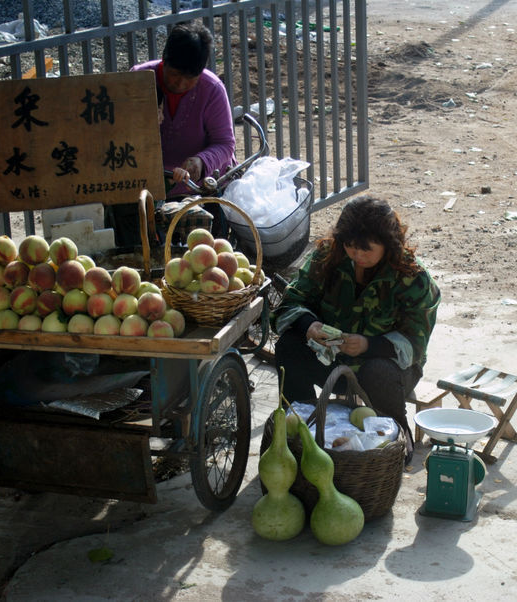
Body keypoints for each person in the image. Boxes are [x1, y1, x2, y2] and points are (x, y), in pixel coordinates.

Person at [272, 196, 441, 464]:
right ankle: (302, 425)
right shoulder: (328, 257)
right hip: (332, 361)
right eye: (351, 247)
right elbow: (290, 302)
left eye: (366, 249)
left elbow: (416, 341)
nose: (357, 255)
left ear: (388, 245)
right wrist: (309, 325)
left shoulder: (412, 277)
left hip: (388, 370)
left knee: (378, 371)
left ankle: (395, 433)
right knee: (289, 346)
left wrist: (368, 345)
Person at [106, 21, 236, 247]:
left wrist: (200, 161)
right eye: (175, 74)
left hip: (197, 188)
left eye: (191, 78)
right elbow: (117, 133)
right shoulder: (139, 79)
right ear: (164, 60)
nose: (181, 83)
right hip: (147, 186)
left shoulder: (212, 89)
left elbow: (225, 143)